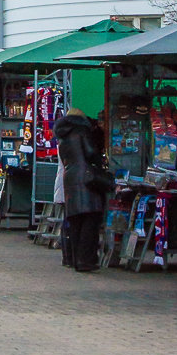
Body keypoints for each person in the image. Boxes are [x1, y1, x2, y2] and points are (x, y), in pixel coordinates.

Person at [53, 108, 106, 272]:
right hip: (86, 180)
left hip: (70, 180)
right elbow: (90, 153)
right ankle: (86, 260)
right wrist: (101, 160)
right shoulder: (82, 132)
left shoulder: (63, 137)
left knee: (75, 222)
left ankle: (74, 259)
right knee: (90, 220)